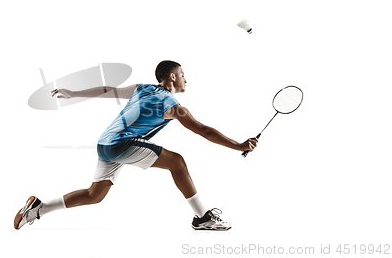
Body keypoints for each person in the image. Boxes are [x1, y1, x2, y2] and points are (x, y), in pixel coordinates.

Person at [14, 60, 258, 230]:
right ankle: (202, 218)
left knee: (94, 195)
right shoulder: (173, 105)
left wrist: (74, 93)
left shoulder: (142, 88)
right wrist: (238, 145)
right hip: (121, 144)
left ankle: (38, 209)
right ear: (172, 77)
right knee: (177, 162)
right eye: (183, 74)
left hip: (104, 143)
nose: (186, 79)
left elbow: (109, 90)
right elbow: (204, 131)